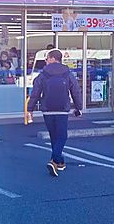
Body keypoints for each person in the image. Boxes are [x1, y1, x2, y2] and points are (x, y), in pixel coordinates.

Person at [27, 48, 82, 177]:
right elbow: (76, 91)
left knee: (54, 136)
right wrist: (78, 107)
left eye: (47, 59)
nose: (46, 61)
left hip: (47, 109)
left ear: (52, 59)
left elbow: (35, 93)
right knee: (62, 136)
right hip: (62, 109)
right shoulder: (67, 73)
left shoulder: (43, 74)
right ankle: (54, 160)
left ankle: (60, 162)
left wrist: (30, 109)